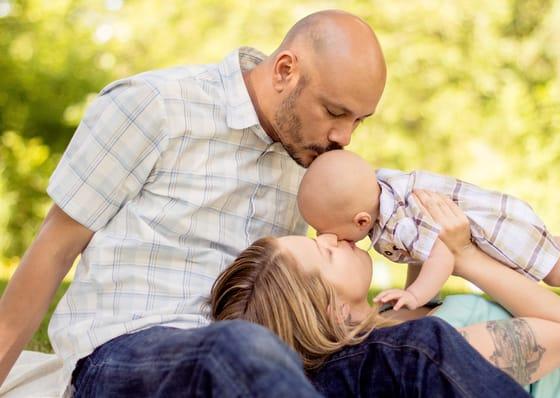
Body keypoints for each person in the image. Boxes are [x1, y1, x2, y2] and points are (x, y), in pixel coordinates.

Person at [0, 9, 389, 396]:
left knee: (419, 345)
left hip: (267, 365)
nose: (345, 137)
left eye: (359, 120)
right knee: (237, 347)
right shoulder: (155, 105)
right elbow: (53, 248)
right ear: (285, 70)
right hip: (127, 352)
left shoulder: (312, 153)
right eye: (335, 112)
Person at [211, 190, 560, 396]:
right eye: (324, 252)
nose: (330, 236)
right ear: (332, 312)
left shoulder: (389, 324)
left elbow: (425, 304)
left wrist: (415, 236)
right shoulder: (432, 359)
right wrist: (466, 257)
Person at [297, 149, 560, 310]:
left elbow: (442, 253)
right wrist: (418, 294)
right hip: (505, 214)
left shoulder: (395, 225)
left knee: (558, 272)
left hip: (493, 232)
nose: (327, 239)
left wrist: (417, 294)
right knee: (550, 247)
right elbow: (418, 256)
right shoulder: (385, 188)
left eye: (331, 232)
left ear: (361, 221)